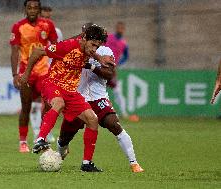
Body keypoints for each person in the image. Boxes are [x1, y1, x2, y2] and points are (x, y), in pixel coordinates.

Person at [21, 24, 112, 172]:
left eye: (98, 46)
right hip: (53, 84)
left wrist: (99, 58)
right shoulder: (66, 47)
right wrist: (26, 74)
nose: (95, 49)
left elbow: (90, 50)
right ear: (84, 39)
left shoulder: (89, 48)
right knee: (59, 103)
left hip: (71, 91)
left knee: (93, 119)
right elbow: (37, 52)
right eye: (93, 45)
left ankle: (87, 163)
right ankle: (40, 139)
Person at [56, 45, 144, 173]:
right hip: (78, 98)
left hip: (99, 98)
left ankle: (134, 163)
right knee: (64, 137)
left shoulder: (105, 51)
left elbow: (109, 74)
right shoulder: (75, 49)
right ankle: (59, 154)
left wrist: (91, 66)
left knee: (114, 124)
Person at [9, 0, 58, 153]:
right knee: (26, 107)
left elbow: (57, 47)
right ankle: (23, 141)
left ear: (39, 10)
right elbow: (15, 51)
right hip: (26, 74)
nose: (32, 10)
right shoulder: (18, 27)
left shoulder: (48, 25)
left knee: (49, 105)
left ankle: (41, 137)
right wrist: (15, 74)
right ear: (25, 9)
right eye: (29, 8)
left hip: (44, 73)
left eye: (35, 8)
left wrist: (57, 70)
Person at [29, 5, 64, 143]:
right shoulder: (31, 30)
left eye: (49, 17)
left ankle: (45, 130)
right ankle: (36, 132)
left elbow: (60, 50)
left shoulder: (57, 32)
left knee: (50, 103)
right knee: (35, 102)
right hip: (36, 70)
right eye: (44, 17)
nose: (46, 20)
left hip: (52, 71)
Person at [105, 21, 130, 119]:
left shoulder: (124, 43)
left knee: (117, 90)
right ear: (116, 28)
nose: (120, 29)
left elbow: (126, 56)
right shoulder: (109, 37)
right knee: (98, 90)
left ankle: (124, 112)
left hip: (112, 70)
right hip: (101, 67)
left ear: (123, 30)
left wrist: (118, 63)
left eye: (122, 28)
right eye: (118, 27)